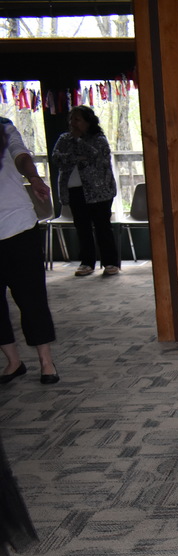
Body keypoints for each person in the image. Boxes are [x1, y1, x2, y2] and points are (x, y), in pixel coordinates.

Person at [0, 117, 59, 385]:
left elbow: (20, 155)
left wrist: (33, 177)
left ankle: (46, 362)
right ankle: (13, 361)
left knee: (31, 298)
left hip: (19, 226)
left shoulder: (4, 126)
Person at [51, 105, 119, 277]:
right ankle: (87, 262)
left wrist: (79, 141)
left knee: (103, 227)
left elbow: (98, 158)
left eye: (77, 119)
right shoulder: (64, 139)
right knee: (82, 227)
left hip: (99, 191)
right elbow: (57, 158)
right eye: (71, 119)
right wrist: (78, 157)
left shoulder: (98, 139)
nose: (73, 123)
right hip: (75, 190)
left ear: (88, 122)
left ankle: (110, 262)